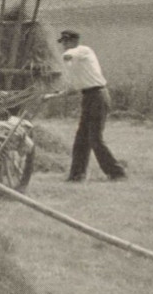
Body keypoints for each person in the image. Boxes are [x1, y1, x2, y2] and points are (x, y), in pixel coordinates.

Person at [43, 29, 127, 182]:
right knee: (81, 139)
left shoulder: (83, 51)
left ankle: (117, 173)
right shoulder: (76, 66)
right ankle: (77, 176)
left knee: (95, 139)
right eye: (63, 43)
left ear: (74, 41)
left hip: (98, 96)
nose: (64, 46)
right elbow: (74, 88)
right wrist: (52, 96)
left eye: (66, 42)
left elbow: (67, 56)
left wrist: (51, 61)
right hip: (89, 97)